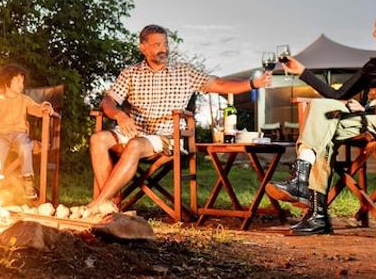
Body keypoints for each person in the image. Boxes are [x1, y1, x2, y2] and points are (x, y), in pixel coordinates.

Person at [266, 0, 376, 235]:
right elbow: (337, 94)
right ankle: (309, 199)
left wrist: (367, 109)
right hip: (364, 118)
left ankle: (312, 205)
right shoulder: (373, 64)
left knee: (322, 131)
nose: (374, 33)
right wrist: (302, 72)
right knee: (321, 117)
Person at [88, 24, 273, 210]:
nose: (164, 49)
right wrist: (119, 115)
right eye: (157, 45)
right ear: (143, 48)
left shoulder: (184, 72)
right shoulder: (131, 73)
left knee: (135, 145)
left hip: (168, 137)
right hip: (134, 131)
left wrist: (252, 84)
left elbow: (220, 84)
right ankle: (108, 204)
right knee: (98, 139)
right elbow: (107, 102)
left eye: (165, 44)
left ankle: (99, 203)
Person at [0, 64, 53, 200]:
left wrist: (45, 108)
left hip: (19, 135)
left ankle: (27, 180)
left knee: (24, 146)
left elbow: (35, 108)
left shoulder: (24, 99)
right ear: (6, 83)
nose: (22, 84)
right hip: (0, 135)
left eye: (22, 81)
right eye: (17, 81)